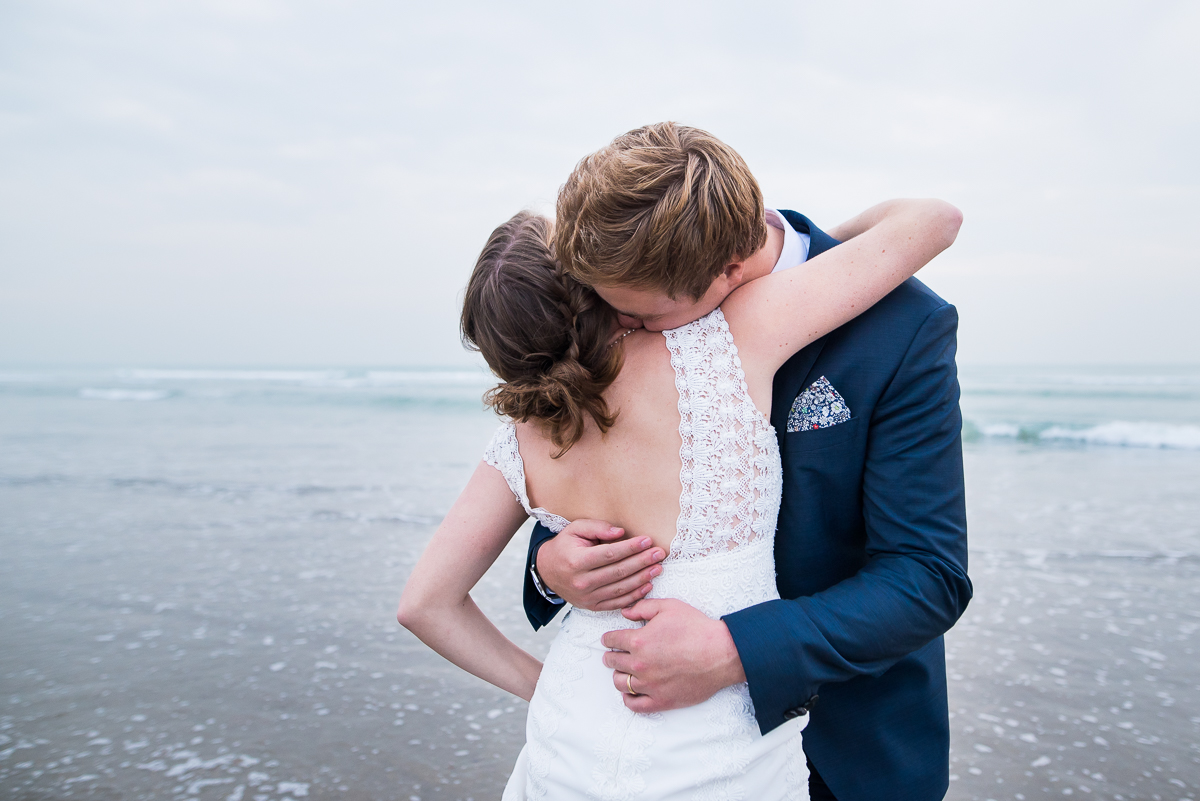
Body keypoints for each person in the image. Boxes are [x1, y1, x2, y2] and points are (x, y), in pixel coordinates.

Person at [397, 126, 961, 798]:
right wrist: (551, 566)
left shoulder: (899, 324)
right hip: (631, 715)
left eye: (636, 313)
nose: (621, 331)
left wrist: (735, 650)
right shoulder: (660, 282)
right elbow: (585, 504)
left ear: (723, 269)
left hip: (848, 742)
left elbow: (926, 576)